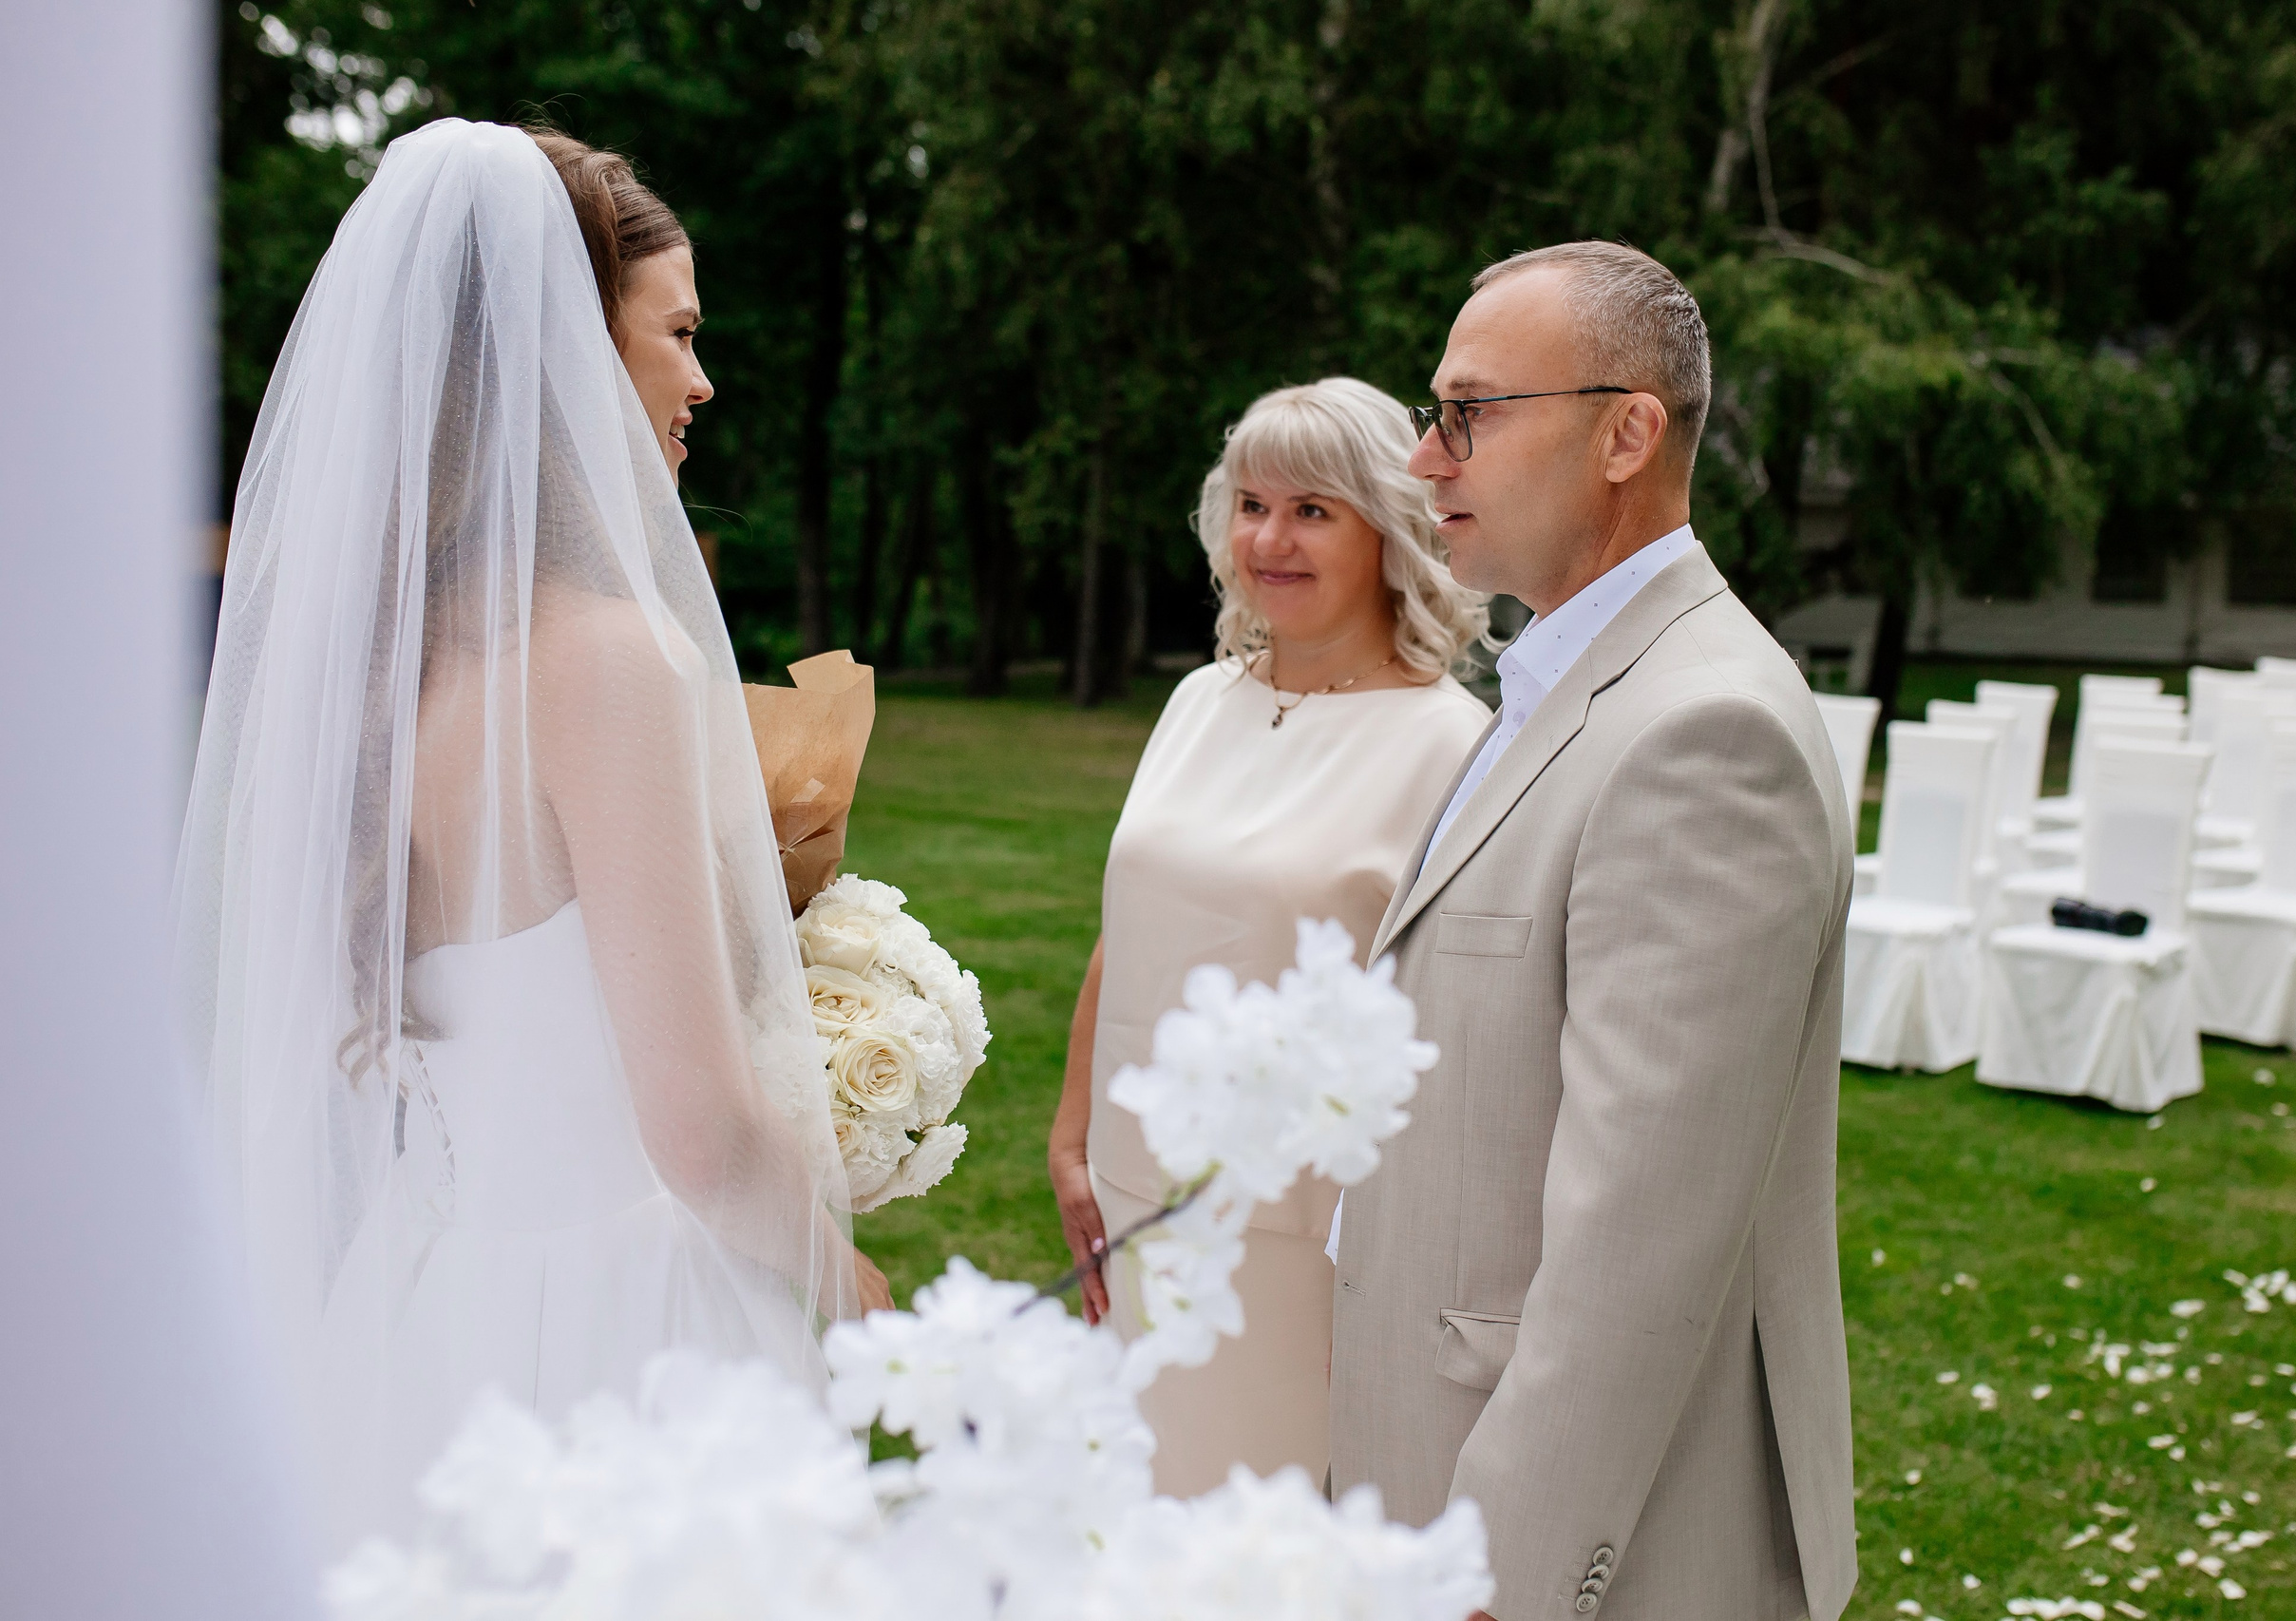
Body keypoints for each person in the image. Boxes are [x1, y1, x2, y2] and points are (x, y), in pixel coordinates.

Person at [174, 120, 883, 1555]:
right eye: (677, 332)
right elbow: (693, 1129)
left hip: (428, 1302)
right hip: (625, 1333)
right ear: (568, 341)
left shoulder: (382, 659)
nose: (701, 378)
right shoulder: (605, 659)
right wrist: (843, 1266)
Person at [1328, 242, 1857, 1621]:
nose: (1425, 458)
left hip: (1589, 1536)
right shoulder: (1565, 671)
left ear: (1627, 431)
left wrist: (1494, 1571)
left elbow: (1645, 1236)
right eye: (1428, 409)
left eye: (1468, 412)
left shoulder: (1706, 730)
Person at [1048, 378, 1492, 1497]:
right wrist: (1072, 1135)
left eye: (1312, 510)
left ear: (1389, 529)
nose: (1269, 538)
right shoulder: (1197, 700)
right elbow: (1129, 919)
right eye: (1251, 503)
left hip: (1301, 1232)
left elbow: (1455, 1022)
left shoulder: (1453, 745)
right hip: (1134, 1186)